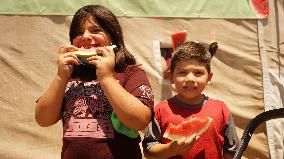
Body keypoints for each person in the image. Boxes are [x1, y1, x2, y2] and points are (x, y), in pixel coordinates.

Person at [35, 5, 154, 159]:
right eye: (78, 33)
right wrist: (60, 76)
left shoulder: (130, 73)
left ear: (112, 36)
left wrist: (106, 78)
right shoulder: (69, 76)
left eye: (95, 30)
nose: (85, 37)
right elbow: (43, 119)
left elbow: (140, 121)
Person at [142, 41, 239, 159]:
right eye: (182, 72)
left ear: (209, 78)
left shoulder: (221, 109)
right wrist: (170, 149)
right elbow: (149, 150)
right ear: (171, 77)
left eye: (198, 73)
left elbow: (232, 150)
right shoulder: (161, 109)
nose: (190, 79)